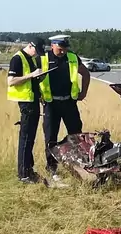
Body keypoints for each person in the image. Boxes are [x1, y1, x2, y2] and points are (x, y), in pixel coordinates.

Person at [39, 34, 90, 180]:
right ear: (52, 45)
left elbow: (85, 74)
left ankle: (78, 165)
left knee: (76, 135)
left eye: (65, 49)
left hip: (69, 102)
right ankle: (52, 169)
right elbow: (34, 79)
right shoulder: (43, 58)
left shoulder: (72, 57)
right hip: (51, 104)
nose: (62, 52)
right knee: (50, 137)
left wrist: (83, 92)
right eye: (60, 49)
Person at [7, 37, 46, 184]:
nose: (37, 54)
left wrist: (39, 79)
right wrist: (31, 75)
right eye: (36, 51)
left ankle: (29, 169)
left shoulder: (30, 59)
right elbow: (11, 81)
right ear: (30, 45)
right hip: (26, 103)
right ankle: (23, 174)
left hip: (33, 101)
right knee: (25, 139)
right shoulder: (17, 59)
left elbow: (30, 81)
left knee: (30, 139)